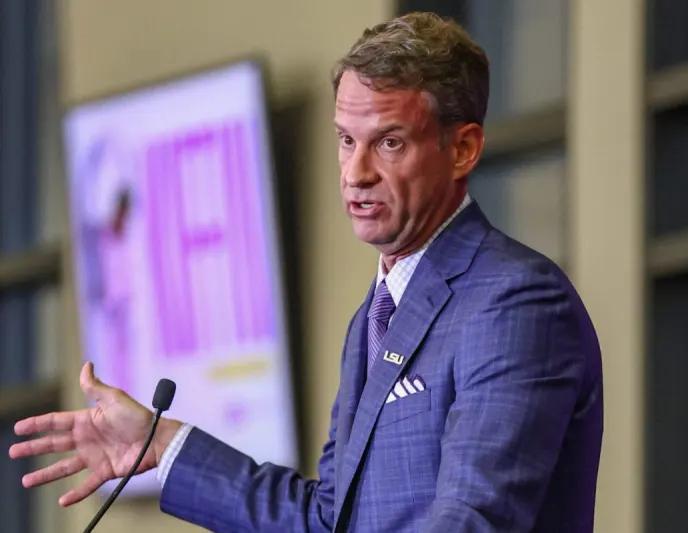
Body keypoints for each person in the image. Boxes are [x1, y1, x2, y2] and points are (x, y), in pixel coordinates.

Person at [8, 12, 602, 532]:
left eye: (389, 143)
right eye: (346, 140)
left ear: (463, 149)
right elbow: (326, 520)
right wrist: (162, 445)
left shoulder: (513, 301)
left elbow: (472, 521)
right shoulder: (373, 319)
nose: (356, 172)